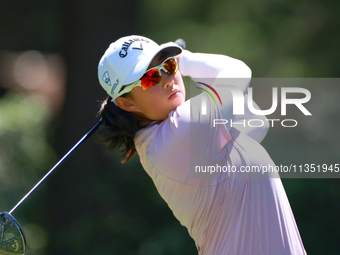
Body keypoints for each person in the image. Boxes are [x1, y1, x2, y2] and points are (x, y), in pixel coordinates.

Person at [97, 35, 307, 255]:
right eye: (149, 78)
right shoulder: (182, 131)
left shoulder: (167, 136)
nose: (167, 79)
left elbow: (256, 124)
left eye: (168, 65)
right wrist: (185, 60)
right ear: (126, 102)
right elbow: (237, 71)